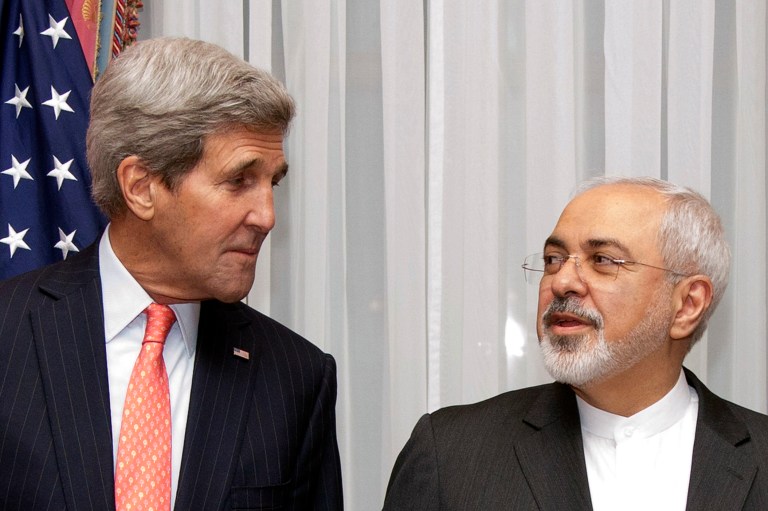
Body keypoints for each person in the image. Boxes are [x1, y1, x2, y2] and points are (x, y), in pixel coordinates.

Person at [0, 37, 342, 510]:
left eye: (272, 183)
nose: (267, 216)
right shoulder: (9, 334)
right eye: (239, 180)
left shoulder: (296, 378)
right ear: (141, 186)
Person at [383, 176, 768, 510]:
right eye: (554, 259)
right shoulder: (451, 454)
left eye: (602, 259)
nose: (562, 281)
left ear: (687, 304)